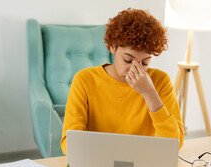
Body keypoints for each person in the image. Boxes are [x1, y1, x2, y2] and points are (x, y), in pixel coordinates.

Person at [60, 8, 184, 154]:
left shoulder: (160, 81)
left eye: (144, 62)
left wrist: (150, 94)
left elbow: (174, 144)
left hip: (141, 164)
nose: (135, 69)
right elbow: (69, 144)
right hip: (97, 162)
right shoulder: (85, 80)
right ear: (112, 47)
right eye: (128, 60)